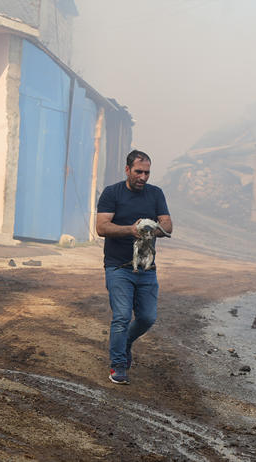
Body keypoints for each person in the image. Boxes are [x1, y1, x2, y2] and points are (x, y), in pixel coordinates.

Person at [96, 150, 173, 384]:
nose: (143, 177)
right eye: (138, 171)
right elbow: (102, 227)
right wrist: (131, 230)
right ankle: (118, 365)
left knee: (147, 318)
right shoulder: (112, 193)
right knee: (121, 316)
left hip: (146, 267)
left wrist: (152, 230)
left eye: (147, 172)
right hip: (118, 267)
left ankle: (125, 342)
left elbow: (168, 223)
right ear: (128, 170)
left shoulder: (155, 193)